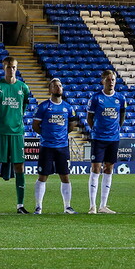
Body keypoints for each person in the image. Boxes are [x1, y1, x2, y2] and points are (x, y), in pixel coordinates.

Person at [0, 57, 31, 214]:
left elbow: (22, 108)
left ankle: (20, 205)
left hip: (17, 133)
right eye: (8, 67)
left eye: (14, 67)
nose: (11, 70)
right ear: (3, 68)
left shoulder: (23, 87)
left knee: (19, 166)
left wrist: (15, 121)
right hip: (0, 132)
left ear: (17, 68)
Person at [31, 78, 79, 215]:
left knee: (65, 176)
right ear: (50, 89)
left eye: (60, 86)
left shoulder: (68, 107)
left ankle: (67, 206)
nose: (58, 88)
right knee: (43, 176)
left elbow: (72, 125)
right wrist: (47, 134)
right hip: (47, 146)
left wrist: (61, 134)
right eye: (55, 86)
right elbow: (35, 125)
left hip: (62, 147)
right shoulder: (43, 107)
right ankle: (38, 206)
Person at [86, 69, 127, 214]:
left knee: (109, 168)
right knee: (96, 168)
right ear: (102, 81)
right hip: (98, 138)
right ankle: (92, 205)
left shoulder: (120, 98)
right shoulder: (96, 98)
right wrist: (96, 130)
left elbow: (121, 117)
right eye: (108, 80)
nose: (111, 82)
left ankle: (103, 205)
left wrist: (115, 129)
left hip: (113, 138)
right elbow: (89, 118)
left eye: (113, 80)